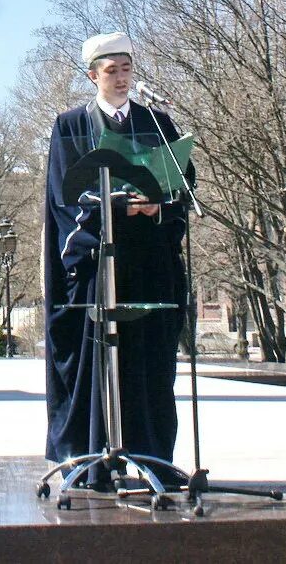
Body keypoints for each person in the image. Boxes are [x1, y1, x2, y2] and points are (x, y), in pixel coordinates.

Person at [43, 31, 190, 479]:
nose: (122, 79)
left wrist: (159, 204)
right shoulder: (72, 125)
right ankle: (94, 463)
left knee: (147, 362)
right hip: (98, 264)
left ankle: (151, 458)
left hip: (148, 262)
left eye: (127, 69)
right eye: (112, 71)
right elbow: (64, 196)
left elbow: (181, 185)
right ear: (93, 76)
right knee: (96, 360)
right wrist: (113, 205)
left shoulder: (157, 124)